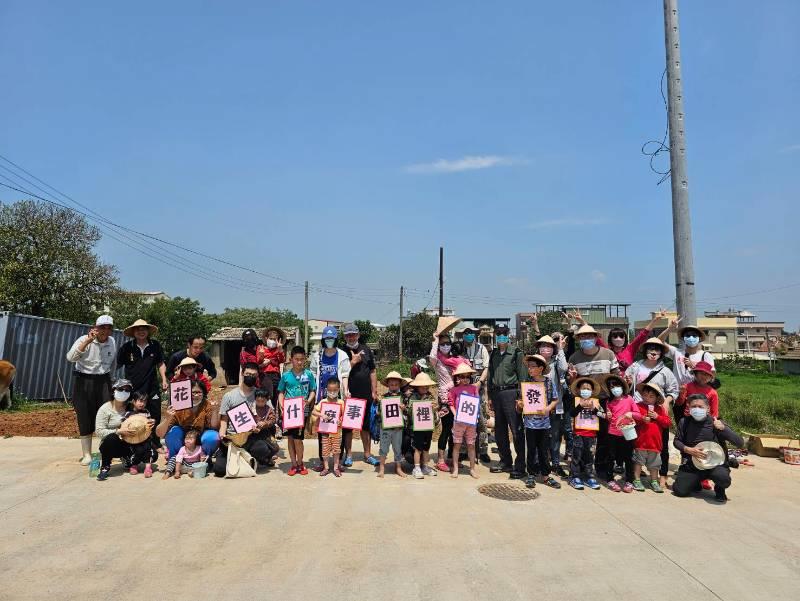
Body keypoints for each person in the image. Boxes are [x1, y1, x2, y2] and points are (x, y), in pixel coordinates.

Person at [567, 323, 620, 482]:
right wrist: (572, 378)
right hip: (584, 402)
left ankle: (601, 468)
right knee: (584, 437)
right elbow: (572, 384)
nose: (586, 339)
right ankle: (583, 469)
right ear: (578, 339)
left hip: (604, 400)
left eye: (589, 336)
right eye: (583, 336)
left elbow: (616, 377)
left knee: (604, 436)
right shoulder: (574, 358)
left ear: (596, 338)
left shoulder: (608, 354)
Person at [624, 337, 679, 486]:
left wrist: (667, 401)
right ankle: (633, 474)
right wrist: (628, 383)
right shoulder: (635, 366)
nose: (653, 352)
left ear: (661, 353)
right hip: (637, 408)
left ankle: (662, 474)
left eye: (657, 350)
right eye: (650, 349)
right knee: (634, 442)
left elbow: (674, 389)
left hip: (657, 409)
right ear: (645, 351)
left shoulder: (665, 371)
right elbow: (625, 385)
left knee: (661, 442)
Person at [672, 394, 744, 503]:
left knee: (722, 479)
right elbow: (677, 441)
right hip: (693, 464)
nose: (697, 409)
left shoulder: (717, 423)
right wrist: (688, 450)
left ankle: (720, 490)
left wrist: (724, 429)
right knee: (679, 491)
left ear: (708, 409)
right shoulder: (684, 422)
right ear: (689, 408)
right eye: (694, 406)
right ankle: (696, 482)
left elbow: (740, 443)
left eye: (700, 407)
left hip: (715, 465)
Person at [66, 314, 117, 465]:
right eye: (102, 327)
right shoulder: (83, 339)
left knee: (106, 415)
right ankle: (86, 454)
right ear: (95, 327)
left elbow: (113, 363)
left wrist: (112, 380)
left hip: (103, 381)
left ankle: (106, 450)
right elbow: (71, 358)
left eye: (109, 328)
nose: (105, 331)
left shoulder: (112, 341)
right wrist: (88, 341)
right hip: (83, 380)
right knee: (84, 415)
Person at [214, 363, 279, 477]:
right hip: (233, 437)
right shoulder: (229, 396)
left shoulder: (261, 394)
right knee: (219, 469)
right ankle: (244, 459)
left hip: (251, 436)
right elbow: (224, 420)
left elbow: (272, 416)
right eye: (248, 374)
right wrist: (222, 434)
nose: (251, 377)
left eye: (254, 375)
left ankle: (252, 458)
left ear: (257, 376)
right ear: (242, 374)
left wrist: (262, 425)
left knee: (262, 449)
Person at [488, 325, 528, 479]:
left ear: (508, 335)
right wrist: (490, 396)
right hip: (497, 393)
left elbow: (522, 376)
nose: (501, 337)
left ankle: (520, 465)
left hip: (511, 393)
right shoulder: (494, 354)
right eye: (498, 334)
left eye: (504, 334)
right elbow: (491, 376)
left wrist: (520, 397)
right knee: (499, 431)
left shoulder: (516, 353)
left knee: (516, 429)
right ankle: (505, 461)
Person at [310, 326, 351, 471]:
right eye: (327, 339)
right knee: (323, 431)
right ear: (323, 339)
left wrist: (345, 391)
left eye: (331, 338)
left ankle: (337, 462)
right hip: (323, 398)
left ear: (335, 339)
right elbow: (313, 374)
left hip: (337, 397)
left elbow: (345, 375)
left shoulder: (342, 355)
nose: (329, 341)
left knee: (337, 431)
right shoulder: (317, 355)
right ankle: (324, 461)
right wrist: (313, 394)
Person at [429, 331, 470, 472]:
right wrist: (435, 340)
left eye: (448, 343)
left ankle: (452, 458)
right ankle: (440, 460)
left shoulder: (455, 359)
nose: (445, 346)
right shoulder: (437, 361)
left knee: (456, 430)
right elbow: (432, 355)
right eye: (442, 344)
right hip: (445, 399)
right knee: (446, 429)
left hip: (458, 398)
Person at [520, 354, 561, 489]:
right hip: (530, 423)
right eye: (529, 367)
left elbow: (555, 399)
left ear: (541, 368)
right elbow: (520, 401)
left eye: (533, 367)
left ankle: (545, 475)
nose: (530, 369)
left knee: (544, 450)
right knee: (531, 450)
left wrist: (548, 408)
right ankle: (531, 474)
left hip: (544, 424)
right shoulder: (526, 382)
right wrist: (520, 405)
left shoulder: (549, 382)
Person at [340, 323, 378, 467]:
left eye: (353, 334)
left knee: (366, 426)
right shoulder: (341, 351)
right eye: (348, 335)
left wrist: (374, 391)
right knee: (348, 427)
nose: (351, 337)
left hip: (366, 394)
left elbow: (373, 371)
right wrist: (353, 362)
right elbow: (341, 372)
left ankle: (367, 454)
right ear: (345, 336)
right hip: (349, 394)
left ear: (358, 335)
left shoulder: (366, 349)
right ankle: (348, 455)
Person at [117, 319, 168, 423]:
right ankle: (134, 439)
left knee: (155, 415)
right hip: (133, 388)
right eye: (138, 330)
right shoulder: (126, 347)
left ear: (148, 331)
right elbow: (116, 365)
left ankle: (154, 439)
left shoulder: (155, 345)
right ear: (133, 332)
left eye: (144, 329)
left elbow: (161, 363)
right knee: (132, 417)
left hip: (151, 386)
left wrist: (164, 379)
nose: (141, 332)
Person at [156, 380, 221, 460]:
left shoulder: (207, 405)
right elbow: (159, 433)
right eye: (193, 392)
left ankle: (204, 459)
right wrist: (168, 418)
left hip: (200, 439)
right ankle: (176, 458)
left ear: (204, 393)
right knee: (173, 434)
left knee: (212, 436)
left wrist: (215, 410)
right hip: (183, 440)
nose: (196, 395)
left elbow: (214, 427)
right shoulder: (178, 406)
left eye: (199, 392)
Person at [276, 347, 316, 476]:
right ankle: (293, 464)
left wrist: (308, 401)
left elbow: (312, 390)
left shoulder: (309, 374)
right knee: (290, 438)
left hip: (302, 411)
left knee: (298, 438)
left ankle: (300, 463)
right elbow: (281, 392)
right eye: (296, 359)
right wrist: (282, 406)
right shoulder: (286, 376)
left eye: (301, 359)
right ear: (291, 360)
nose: (299, 362)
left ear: (305, 359)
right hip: (288, 411)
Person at [536, 334, 571, 478]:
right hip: (537, 406)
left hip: (555, 405)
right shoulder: (534, 363)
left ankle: (555, 464)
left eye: (549, 346)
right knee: (539, 436)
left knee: (555, 437)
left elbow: (564, 368)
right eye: (543, 346)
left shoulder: (556, 363)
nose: (546, 349)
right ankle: (539, 463)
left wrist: (561, 349)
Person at [632, 382, 672, 493]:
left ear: (657, 398)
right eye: (645, 395)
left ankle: (654, 480)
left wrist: (657, 417)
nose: (647, 398)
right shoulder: (638, 406)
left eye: (651, 396)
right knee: (638, 462)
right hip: (641, 441)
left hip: (655, 443)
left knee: (655, 465)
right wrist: (642, 419)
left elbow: (667, 423)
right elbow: (632, 420)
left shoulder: (659, 409)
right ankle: (636, 479)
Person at [461, 325, 492, 463]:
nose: (469, 335)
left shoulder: (482, 348)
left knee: (482, 421)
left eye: (471, 333)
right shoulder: (459, 349)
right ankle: (463, 450)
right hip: (463, 389)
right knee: (463, 419)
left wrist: (480, 382)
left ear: (475, 334)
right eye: (466, 333)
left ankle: (483, 450)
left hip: (479, 388)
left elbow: (486, 367)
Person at [568, 377, 606, 490]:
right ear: (579, 390)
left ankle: (588, 476)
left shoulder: (596, 403)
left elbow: (603, 416)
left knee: (589, 457)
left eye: (588, 388)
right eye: (583, 388)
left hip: (592, 435)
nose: (586, 390)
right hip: (578, 434)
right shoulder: (576, 401)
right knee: (577, 456)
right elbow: (571, 413)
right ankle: (574, 476)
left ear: (592, 391)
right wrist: (580, 406)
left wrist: (594, 409)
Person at [602, 375, 638, 493]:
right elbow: (609, 418)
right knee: (610, 456)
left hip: (627, 432)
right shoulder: (609, 402)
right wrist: (608, 416)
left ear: (622, 386)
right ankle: (610, 479)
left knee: (628, 457)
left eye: (617, 386)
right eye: (611, 387)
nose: (615, 389)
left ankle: (629, 480)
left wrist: (631, 414)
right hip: (612, 432)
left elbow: (638, 414)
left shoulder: (629, 399)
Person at [95, 379, 134, 481]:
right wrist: (118, 431)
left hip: (129, 441)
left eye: (127, 390)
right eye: (121, 389)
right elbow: (99, 432)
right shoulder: (105, 409)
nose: (124, 392)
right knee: (112, 438)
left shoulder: (132, 407)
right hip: (111, 444)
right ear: (113, 391)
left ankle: (126, 456)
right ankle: (105, 466)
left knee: (152, 454)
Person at [448, 363, 480, 479]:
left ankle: (472, 469)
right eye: (462, 377)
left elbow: (476, 402)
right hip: (458, 421)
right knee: (456, 445)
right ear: (458, 378)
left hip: (471, 422)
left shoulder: (474, 388)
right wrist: (455, 414)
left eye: (467, 377)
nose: (465, 379)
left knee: (471, 445)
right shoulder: (454, 390)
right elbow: (451, 404)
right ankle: (455, 469)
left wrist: (476, 416)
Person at [406, 371, 438, 479]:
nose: (425, 387)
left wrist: (434, 408)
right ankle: (417, 467)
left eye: (427, 385)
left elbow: (434, 411)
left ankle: (425, 466)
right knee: (417, 448)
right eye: (422, 385)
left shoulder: (430, 396)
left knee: (426, 448)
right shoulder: (412, 397)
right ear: (417, 386)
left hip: (427, 427)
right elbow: (410, 412)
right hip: (417, 428)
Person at [312, 376, 345, 477]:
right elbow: (313, 411)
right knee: (325, 451)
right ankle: (326, 467)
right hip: (325, 432)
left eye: (334, 390)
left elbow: (345, 416)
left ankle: (335, 467)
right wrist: (321, 414)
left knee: (336, 451)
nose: (332, 392)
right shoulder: (322, 402)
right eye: (330, 390)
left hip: (337, 432)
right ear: (326, 390)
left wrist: (341, 421)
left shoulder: (341, 402)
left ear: (338, 390)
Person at [122, 391, 159, 477]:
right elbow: (123, 425)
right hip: (133, 439)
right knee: (135, 450)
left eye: (145, 401)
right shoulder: (128, 414)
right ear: (134, 401)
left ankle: (148, 467)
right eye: (140, 401)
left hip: (145, 437)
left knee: (147, 448)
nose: (143, 404)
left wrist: (153, 422)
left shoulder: (146, 412)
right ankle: (134, 465)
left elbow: (150, 424)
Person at [377, 372, 407, 479]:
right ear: (388, 385)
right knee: (383, 448)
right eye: (391, 384)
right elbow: (379, 412)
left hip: (398, 428)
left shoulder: (404, 397)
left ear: (399, 385)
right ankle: (381, 468)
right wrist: (379, 407)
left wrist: (404, 409)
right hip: (385, 428)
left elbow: (408, 412)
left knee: (397, 448)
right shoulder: (383, 397)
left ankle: (398, 467)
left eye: (396, 384)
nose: (394, 386)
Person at [260, 326, 287, 395]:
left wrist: (280, 350)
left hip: (276, 375)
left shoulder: (279, 350)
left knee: (275, 397)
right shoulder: (261, 349)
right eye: (271, 339)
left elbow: (282, 360)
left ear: (278, 340)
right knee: (266, 396)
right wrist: (261, 356)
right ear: (266, 339)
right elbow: (258, 362)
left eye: (275, 339)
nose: (272, 341)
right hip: (264, 375)